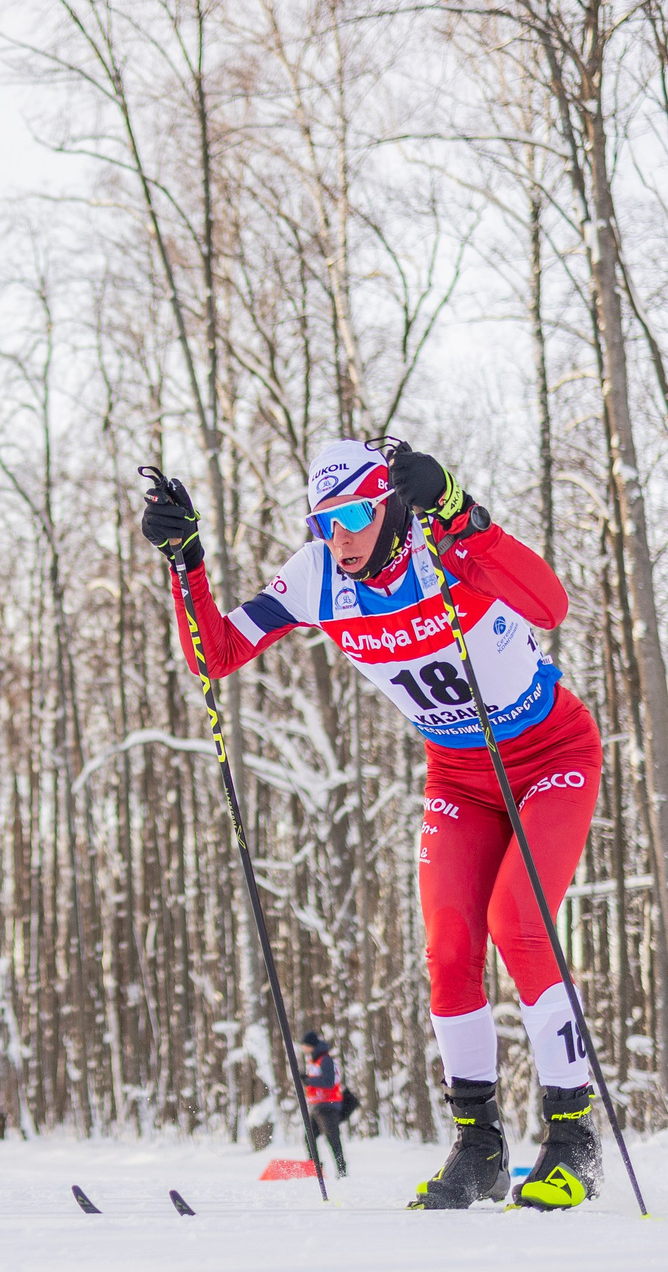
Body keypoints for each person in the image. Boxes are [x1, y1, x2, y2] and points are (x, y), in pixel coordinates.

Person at [143, 439, 603, 1210]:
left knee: (518, 925)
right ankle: (479, 1147)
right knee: (450, 945)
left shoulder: (443, 548)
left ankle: (573, 1140)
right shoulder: (318, 573)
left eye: (355, 515)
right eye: (325, 523)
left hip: (548, 753)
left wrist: (460, 511)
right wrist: (186, 560)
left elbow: (549, 607)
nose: (341, 537)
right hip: (461, 771)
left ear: (388, 503)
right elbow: (215, 655)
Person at [300, 1031, 354, 1178]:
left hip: (329, 1106)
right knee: (309, 1137)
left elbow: (329, 1082)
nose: (302, 1048)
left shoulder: (325, 1060)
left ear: (311, 1045)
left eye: (304, 1045)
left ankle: (342, 1171)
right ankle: (315, 1169)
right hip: (318, 1105)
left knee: (332, 1139)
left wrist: (308, 1080)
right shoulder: (314, 1060)